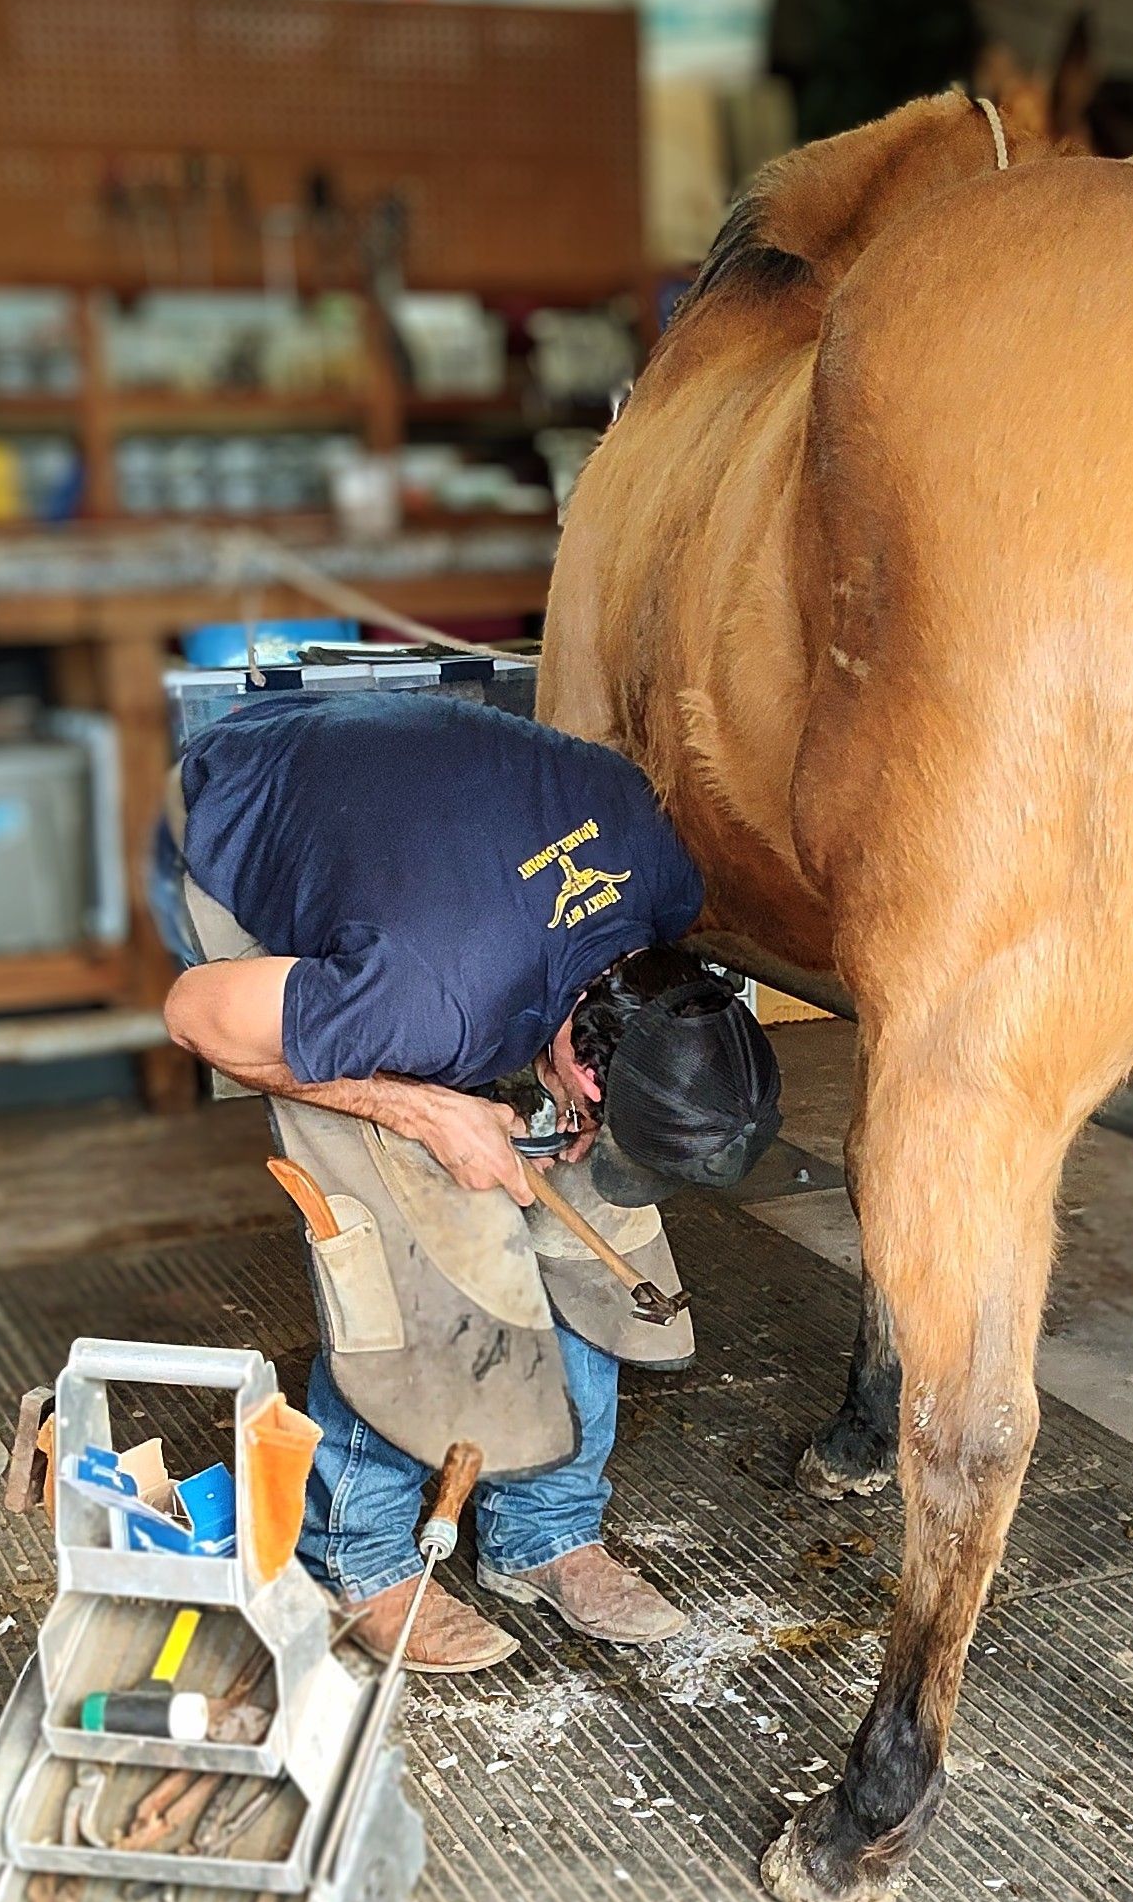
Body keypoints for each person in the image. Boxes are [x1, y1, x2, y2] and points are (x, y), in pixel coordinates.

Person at [158, 683, 780, 1673]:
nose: (580, 1126)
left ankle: (547, 1532)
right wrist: (424, 1107)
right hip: (244, 801)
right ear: (583, 1059)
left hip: (429, 849)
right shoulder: (426, 998)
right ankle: (359, 1555)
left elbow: (561, 1061)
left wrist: (573, 1135)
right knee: (412, 1236)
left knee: (586, 1212)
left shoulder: (662, 886)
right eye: (589, 1109)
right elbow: (195, 1016)